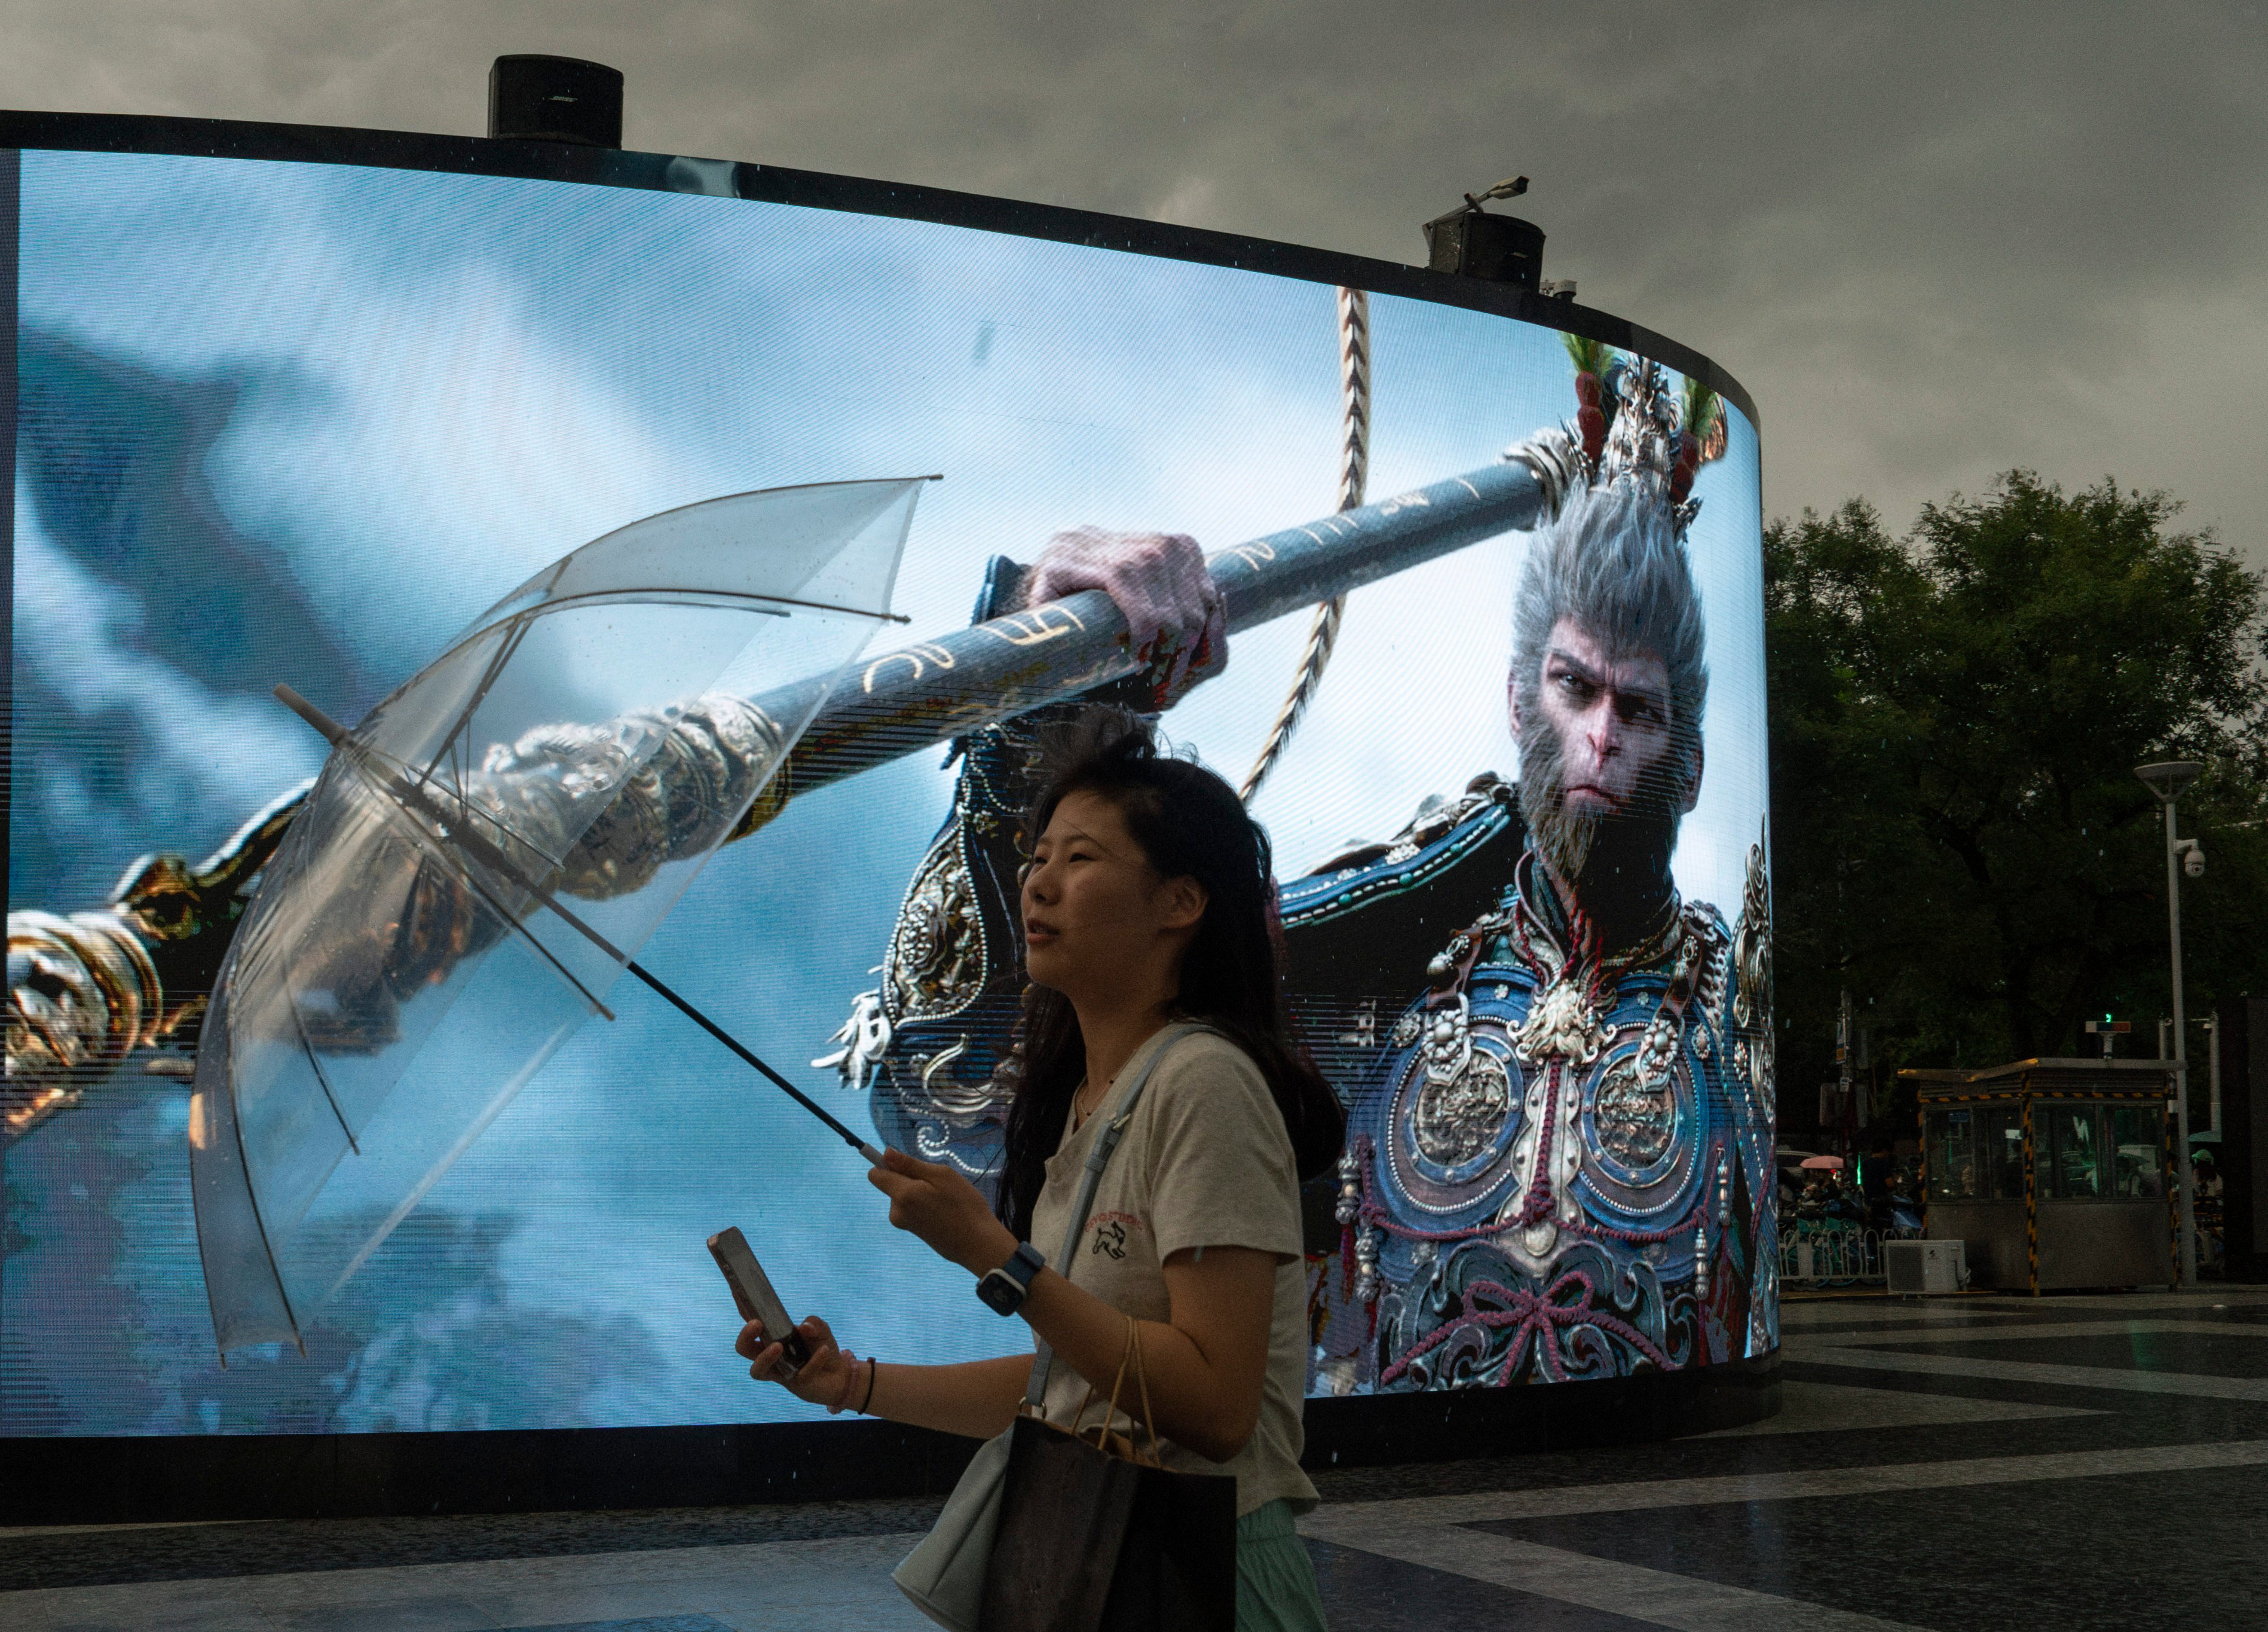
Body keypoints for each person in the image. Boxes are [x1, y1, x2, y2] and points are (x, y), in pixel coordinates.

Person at [841, 356, 1773, 1394]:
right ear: (1520, 701)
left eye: (1637, 710)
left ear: (1688, 762)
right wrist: (1048, 676)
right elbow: (960, 1075)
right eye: (1574, 687)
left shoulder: (1737, 1002)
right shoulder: (1399, 968)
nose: (1600, 737)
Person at [737, 706, 1340, 1629]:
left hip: (1204, 1576)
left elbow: (1215, 1408)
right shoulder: (1092, 1100)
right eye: (1038, 856)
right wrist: (850, 1381)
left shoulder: (1205, 1082)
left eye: (1080, 858)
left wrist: (1000, 1258)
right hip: (1111, 1569)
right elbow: (1072, 1385)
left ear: (1181, 901)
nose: (1039, 883)